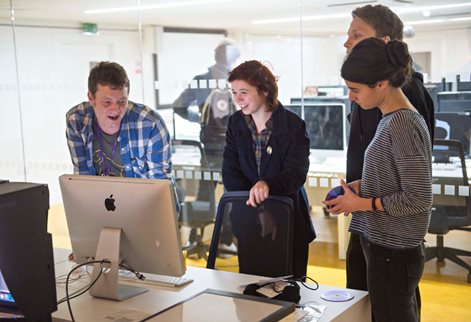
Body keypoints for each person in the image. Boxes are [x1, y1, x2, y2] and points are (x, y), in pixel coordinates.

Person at [325, 37, 432, 321]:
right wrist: (354, 192)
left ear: (381, 84)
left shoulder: (402, 124)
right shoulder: (391, 119)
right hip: (386, 248)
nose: (351, 97)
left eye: (355, 90)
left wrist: (360, 204)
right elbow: (393, 180)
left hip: (394, 252)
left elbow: (418, 198)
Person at [222, 60, 316, 278]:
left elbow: (295, 174)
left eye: (244, 92)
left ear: (264, 90)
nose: (238, 99)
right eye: (234, 92)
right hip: (248, 221)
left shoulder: (293, 125)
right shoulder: (236, 123)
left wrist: (267, 187)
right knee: (250, 296)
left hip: (288, 221)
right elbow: (230, 172)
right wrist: (258, 209)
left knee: (290, 296)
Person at [66, 61, 177, 204]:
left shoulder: (150, 125)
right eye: (107, 102)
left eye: (122, 101)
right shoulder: (77, 121)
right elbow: (82, 181)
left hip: (143, 208)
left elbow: (161, 190)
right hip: (99, 207)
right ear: (91, 98)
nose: (115, 109)